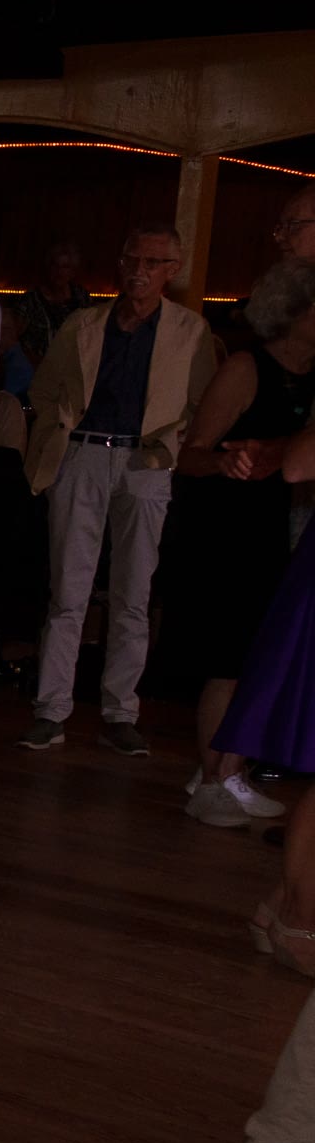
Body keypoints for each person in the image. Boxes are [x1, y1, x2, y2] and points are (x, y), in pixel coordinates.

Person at [17, 224, 216, 754]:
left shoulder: (191, 331)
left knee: (133, 593)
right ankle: (51, 709)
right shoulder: (85, 323)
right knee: (68, 591)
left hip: (145, 460)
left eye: (152, 262)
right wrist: (57, 439)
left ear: (172, 270)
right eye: (132, 259)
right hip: (84, 451)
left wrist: (174, 445)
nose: (138, 271)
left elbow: (203, 404)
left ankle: (119, 712)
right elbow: (45, 388)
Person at [178, 261, 315, 824]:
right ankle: (212, 779)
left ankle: (226, 770)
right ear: (295, 311)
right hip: (232, 529)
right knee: (229, 659)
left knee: (262, 656)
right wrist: (225, 462)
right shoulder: (245, 367)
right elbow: (190, 455)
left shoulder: (314, 375)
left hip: (285, 528)